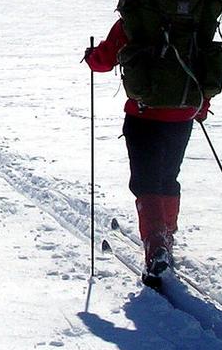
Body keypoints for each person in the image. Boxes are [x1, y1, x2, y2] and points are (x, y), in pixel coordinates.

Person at [85, 15, 210, 286]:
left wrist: (91, 56)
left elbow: (104, 61)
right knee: (168, 177)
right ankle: (167, 237)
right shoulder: (191, 19)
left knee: (146, 182)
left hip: (144, 115)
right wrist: (202, 105)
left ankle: (156, 249)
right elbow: (204, 61)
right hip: (183, 113)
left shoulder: (135, 19)